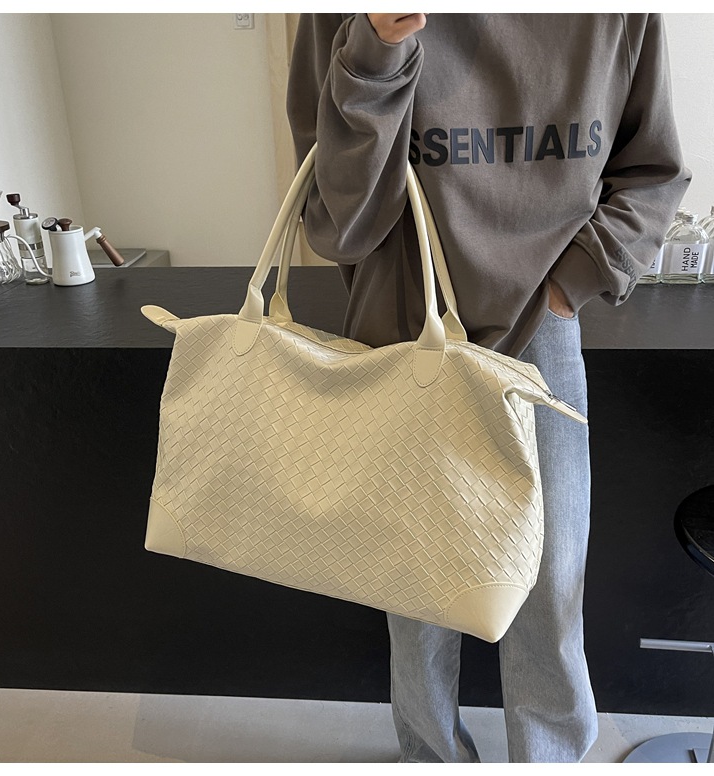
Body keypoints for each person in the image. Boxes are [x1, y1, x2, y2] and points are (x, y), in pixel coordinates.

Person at [286, 13, 691, 763]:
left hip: (542, 327)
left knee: (550, 578)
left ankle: (549, 759)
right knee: (414, 587)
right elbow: (340, 224)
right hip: (402, 322)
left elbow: (654, 172)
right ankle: (432, 757)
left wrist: (568, 289)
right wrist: (379, 50)